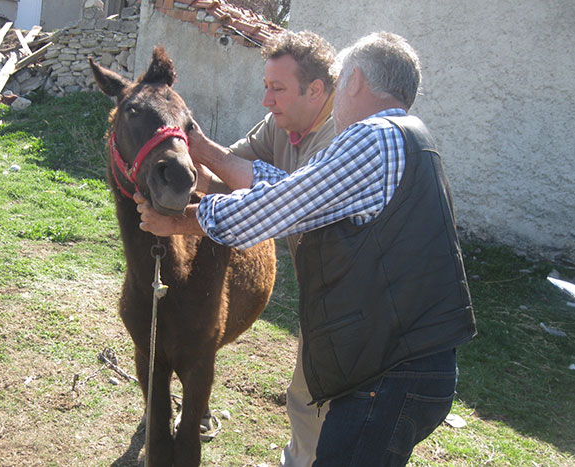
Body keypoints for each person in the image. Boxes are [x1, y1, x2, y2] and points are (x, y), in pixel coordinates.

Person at [136, 31, 477, 466]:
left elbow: (282, 207)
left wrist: (182, 221)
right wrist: (207, 164)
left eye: (342, 83)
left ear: (352, 82)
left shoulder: (373, 137)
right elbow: (297, 193)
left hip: (387, 369)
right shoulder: (409, 138)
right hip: (408, 363)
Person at [188, 30, 338, 467]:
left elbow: (277, 203)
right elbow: (223, 177)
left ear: (315, 91)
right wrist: (177, 168)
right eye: (265, 86)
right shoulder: (281, 125)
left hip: (357, 294)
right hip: (321, 287)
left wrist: (206, 152)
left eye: (277, 89)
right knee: (306, 395)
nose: (266, 100)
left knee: (327, 398)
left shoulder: (338, 140)